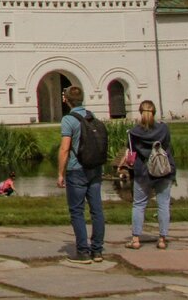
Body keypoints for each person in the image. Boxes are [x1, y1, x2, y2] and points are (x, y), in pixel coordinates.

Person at [58, 85, 105, 264]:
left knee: (77, 211)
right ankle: (98, 251)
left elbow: (64, 149)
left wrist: (60, 173)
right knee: (97, 210)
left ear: (66, 100)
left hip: (76, 169)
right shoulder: (92, 117)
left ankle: (83, 252)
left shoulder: (69, 120)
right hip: (95, 168)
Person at [126, 100, 174, 250]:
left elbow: (131, 153)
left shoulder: (134, 132)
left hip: (143, 172)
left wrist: (128, 164)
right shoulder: (164, 129)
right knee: (163, 204)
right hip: (163, 170)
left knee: (139, 205)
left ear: (141, 113)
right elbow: (167, 146)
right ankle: (162, 239)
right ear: (154, 112)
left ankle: (135, 239)